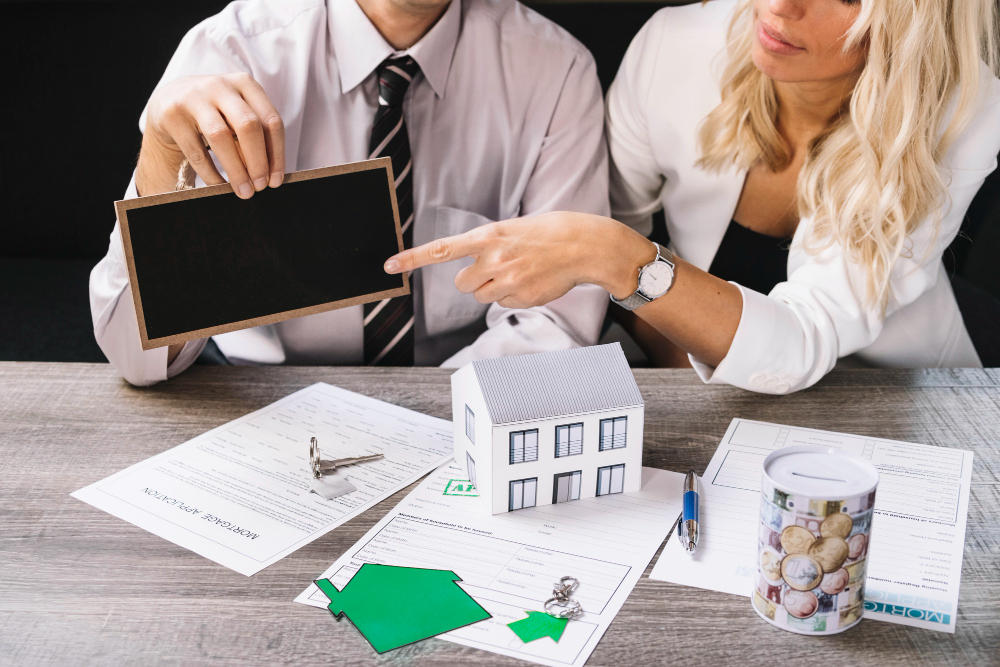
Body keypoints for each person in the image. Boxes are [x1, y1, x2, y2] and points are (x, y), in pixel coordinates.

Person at [386, 0, 1000, 394]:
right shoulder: (675, 45)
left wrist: (617, 256)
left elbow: (803, 340)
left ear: (914, 21)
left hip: (895, 396)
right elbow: (596, 270)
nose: (783, 5)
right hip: (695, 382)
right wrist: (693, 362)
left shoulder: (961, 116)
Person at [90, 0, 609, 386]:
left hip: (459, 401)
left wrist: (426, 416)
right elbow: (134, 358)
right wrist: (161, 152)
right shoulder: (230, 52)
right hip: (256, 397)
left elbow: (557, 321)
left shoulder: (556, 70)